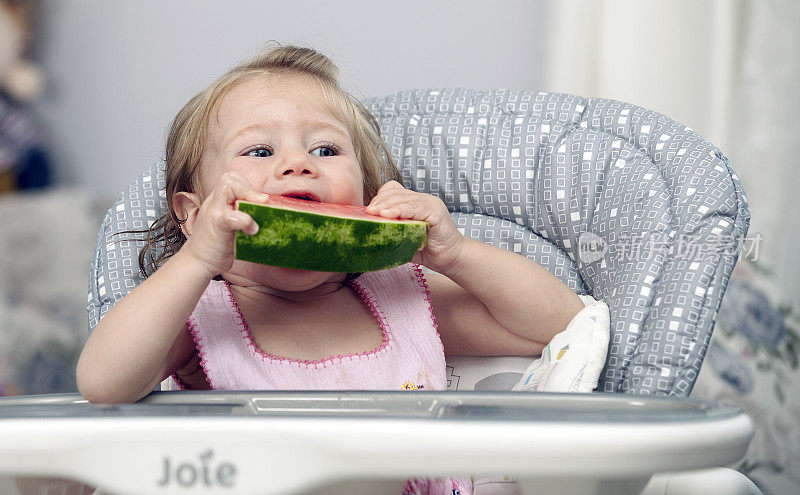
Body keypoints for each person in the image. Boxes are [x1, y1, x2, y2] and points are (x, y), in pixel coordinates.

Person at [76, 44, 586, 494]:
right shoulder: (200, 317)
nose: (299, 164)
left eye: (326, 149)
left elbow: (560, 325)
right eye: (259, 150)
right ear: (192, 214)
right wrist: (196, 261)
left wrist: (457, 255)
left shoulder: (400, 298)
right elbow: (103, 382)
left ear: (363, 195)